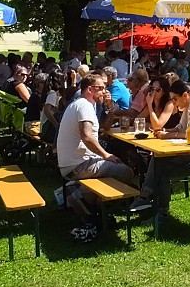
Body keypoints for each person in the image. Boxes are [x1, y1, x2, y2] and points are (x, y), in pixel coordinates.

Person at [130, 80, 190, 218]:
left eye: (175, 99)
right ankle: (152, 204)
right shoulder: (188, 107)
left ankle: (150, 202)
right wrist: (165, 131)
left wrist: (167, 135)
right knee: (158, 163)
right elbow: (180, 128)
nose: (174, 102)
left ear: (185, 95)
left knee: (160, 166)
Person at [57, 74, 134, 234]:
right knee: (126, 171)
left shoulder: (81, 104)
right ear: (90, 89)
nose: (104, 91)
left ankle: (85, 199)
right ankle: (95, 206)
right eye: (101, 88)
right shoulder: (85, 105)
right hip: (78, 165)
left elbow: (102, 129)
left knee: (114, 165)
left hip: (70, 162)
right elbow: (87, 137)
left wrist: (110, 108)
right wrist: (106, 156)